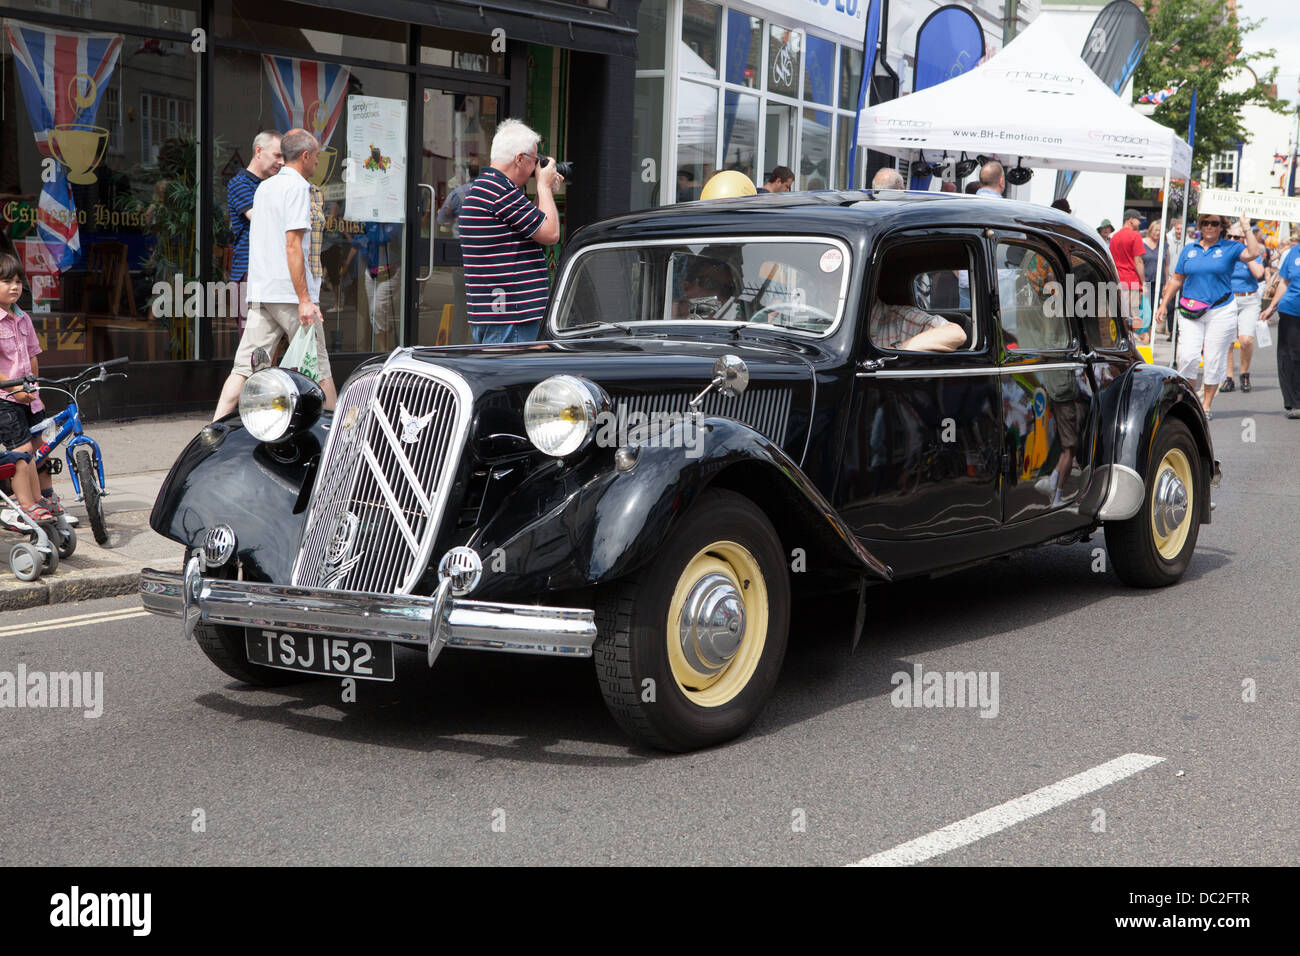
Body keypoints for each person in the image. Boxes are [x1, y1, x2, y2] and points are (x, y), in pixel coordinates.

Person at [213, 129, 337, 420]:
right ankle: (340, 440)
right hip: (290, 294)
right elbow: (293, 246)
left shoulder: (265, 188)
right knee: (321, 369)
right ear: (305, 156)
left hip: (262, 291)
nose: (318, 162)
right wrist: (305, 299)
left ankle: (212, 431)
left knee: (243, 368)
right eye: (316, 157)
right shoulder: (297, 189)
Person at [458, 118, 563, 344]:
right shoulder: (501, 192)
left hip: (495, 314)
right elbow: (551, 234)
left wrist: (542, 193)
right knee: (509, 378)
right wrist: (544, 187)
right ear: (519, 159)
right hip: (511, 317)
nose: (536, 168)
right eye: (535, 161)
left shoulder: (484, 188)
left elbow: (533, 225)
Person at [1157, 212, 1263, 417]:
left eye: (1214, 223)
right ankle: (1189, 400)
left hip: (1220, 310)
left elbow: (1253, 252)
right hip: (1190, 309)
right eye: (1205, 223)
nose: (1209, 227)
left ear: (1221, 227)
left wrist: (1246, 227)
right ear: (1200, 226)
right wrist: (1163, 304)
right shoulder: (1190, 249)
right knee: (1187, 357)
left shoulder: (1230, 247)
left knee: (1214, 359)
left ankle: (1205, 405)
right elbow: (1177, 279)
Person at [0, 250, 57, 524]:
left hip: (28, 396)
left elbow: (33, 356)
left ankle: (42, 500)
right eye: (6, 281)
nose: (14, 287)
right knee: (22, 454)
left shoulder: (23, 318)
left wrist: (34, 392)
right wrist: (14, 391)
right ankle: (27, 505)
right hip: (6, 399)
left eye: (18, 282)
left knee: (38, 448)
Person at [226, 130, 283, 303]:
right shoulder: (240, 183)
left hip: (269, 274)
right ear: (259, 151)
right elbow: (262, 219)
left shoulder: (271, 185)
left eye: (283, 157)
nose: (281, 162)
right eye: (277, 155)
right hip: (248, 273)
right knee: (249, 330)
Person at [1222, 224, 1265, 393]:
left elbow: (1258, 273)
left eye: (1236, 237)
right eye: (1229, 237)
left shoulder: (1252, 252)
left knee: (1246, 340)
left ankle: (1245, 373)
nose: (1232, 240)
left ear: (1244, 239)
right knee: (1228, 341)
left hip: (1249, 298)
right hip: (1228, 299)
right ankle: (1228, 377)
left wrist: (1248, 253)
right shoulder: (1226, 253)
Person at [1260, 238, 1300, 417]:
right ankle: (1294, 402)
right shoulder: (1294, 252)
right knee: (1290, 356)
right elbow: (1284, 283)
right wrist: (1271, 307)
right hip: (1291, 310)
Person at [1110, 209, 1146, 342]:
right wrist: (1143, 282)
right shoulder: (1135, 236)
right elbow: (1139, 261)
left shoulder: (1114, 237)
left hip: (1117, 279)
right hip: (1131, 280)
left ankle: (1121, 338)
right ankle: (1130, 340)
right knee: (1132, 315)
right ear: (1131, 220)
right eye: (1139, 219)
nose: (1140, 222)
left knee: (1119, 312)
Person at [435, 162, 480, 238]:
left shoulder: (456, 193)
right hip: (482, 241)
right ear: (479, 174)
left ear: (468, 174)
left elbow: (441, 219)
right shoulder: (488, 192)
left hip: (459, 240)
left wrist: (451, 222)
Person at [1142, 220, 1169, 336]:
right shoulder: (1142, 243)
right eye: (1155, 230)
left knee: (1153, 307)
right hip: (1145, 281)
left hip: (1157, 282)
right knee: (1144, 309)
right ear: (1150, 230)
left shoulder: (1164, 245)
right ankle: (1142, 332)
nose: (1157, 233)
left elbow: (1166, 265)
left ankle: (1149, 332)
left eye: (1160, 230)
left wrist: (1166, 282)